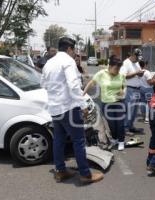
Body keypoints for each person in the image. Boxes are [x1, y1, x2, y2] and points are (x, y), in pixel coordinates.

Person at [40, 37, 104, 184]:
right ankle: (85, 174)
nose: (75, 53)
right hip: (69, 108)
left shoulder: (49, 62)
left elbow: (43, 83)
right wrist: (84, 106)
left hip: (55, 109)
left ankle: (60, 171)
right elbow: (74, 86)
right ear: (69, 49)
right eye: (74, 50)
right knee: (79, 141)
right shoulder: (68, 61)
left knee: (59, 140)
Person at [84, 56, 126, 151]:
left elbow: (124, 86)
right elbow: (91, 83)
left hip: (119, 103)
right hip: (107, 104)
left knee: (120, 124)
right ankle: (115, 139)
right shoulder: (101, 74)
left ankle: (121, 141)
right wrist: (83, 93)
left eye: (119, 68)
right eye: (116, 68)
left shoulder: (120, 75)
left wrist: (122, 91)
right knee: (112, 124)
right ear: (110, 66)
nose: (117, 71)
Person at [120, 48, 145, 134]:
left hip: (137, 89)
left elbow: (137, 73)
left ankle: (130, 126)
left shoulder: (136, 63)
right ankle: (125, 128)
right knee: (130, 109)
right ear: (133, 55)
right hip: (130, 89)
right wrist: (136, 73)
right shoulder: (126, 63)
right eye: (137, 57)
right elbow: (124, 76)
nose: (138, 60)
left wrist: (140, 73)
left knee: (134, 110)